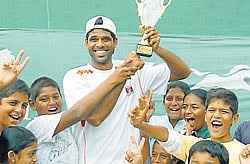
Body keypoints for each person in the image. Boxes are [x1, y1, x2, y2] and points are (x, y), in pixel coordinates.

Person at [63, 15, 191, 163]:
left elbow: (183, 72)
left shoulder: (134, 69)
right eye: (93, 39)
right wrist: (123, 74)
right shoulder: (75, 77)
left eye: (105, 39)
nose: (99, 44)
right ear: (86, 43)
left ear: (115, 42)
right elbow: (95, 118)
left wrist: (157, 49)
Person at [26, 62, 136, 163]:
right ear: (32, 104)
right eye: (44, 99)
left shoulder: (65, 130)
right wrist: (115, 79)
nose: (52, 103)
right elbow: (79, 112)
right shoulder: (38, 125)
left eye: (56, 97)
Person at [128, 87, 246, 164]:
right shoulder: (193, 144)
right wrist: (141, 124)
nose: (216, 115)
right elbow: (167, 135)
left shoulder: (244, 153)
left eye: (224, 111)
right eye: (211, 110)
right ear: (205, 115)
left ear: (234, 118)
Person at [145, 81, 190, 163]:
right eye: (169, 99)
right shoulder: (152, 121)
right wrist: (145, 119)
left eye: (179, 99)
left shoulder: (191, 125)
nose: (174, 103)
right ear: (163, 102)